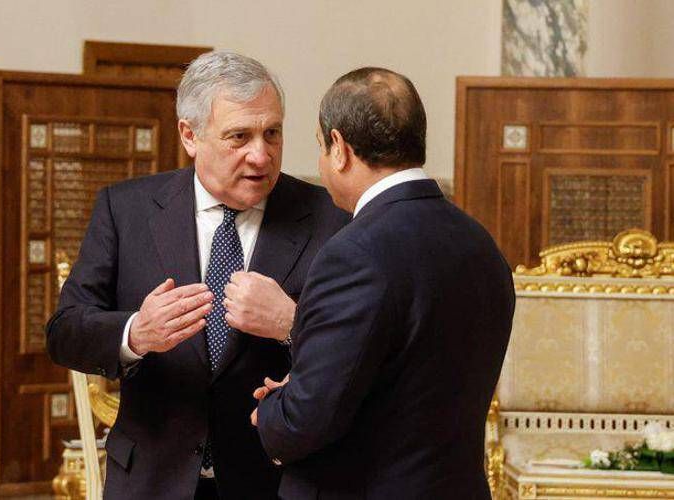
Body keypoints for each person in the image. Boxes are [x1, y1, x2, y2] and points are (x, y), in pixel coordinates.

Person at [45, 51, 347, 500]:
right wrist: (135, 333)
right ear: (190, 135)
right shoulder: (125, 210)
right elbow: (64, 332)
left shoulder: (330, 218)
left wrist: (292, 323)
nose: (260, 155)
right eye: (239, 137)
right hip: (151, 480)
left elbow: (363, 356)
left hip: (275, 481)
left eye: (272, 133)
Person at [252, 68, 516, 499]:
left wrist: (272, 410)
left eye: (321, 147)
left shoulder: (351, 254)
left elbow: (304, 423)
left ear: (339, 148)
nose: (322, 161)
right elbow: (412, 378)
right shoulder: (481, 243)